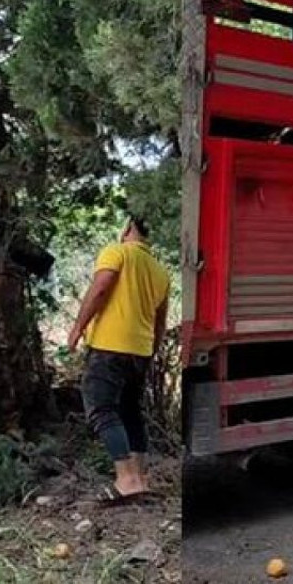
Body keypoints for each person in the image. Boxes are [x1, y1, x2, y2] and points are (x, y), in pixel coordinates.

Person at [68, 214, 170, 504]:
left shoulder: (117, 252)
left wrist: (78, 327)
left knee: (101, 408)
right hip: (140, 350)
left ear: (127, 228)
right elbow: (159, 322)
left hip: (109, 347)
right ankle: (139, 477)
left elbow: (100, 288)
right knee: (130, 411)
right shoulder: (160, 271)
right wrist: (151, 350)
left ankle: (125, 479)